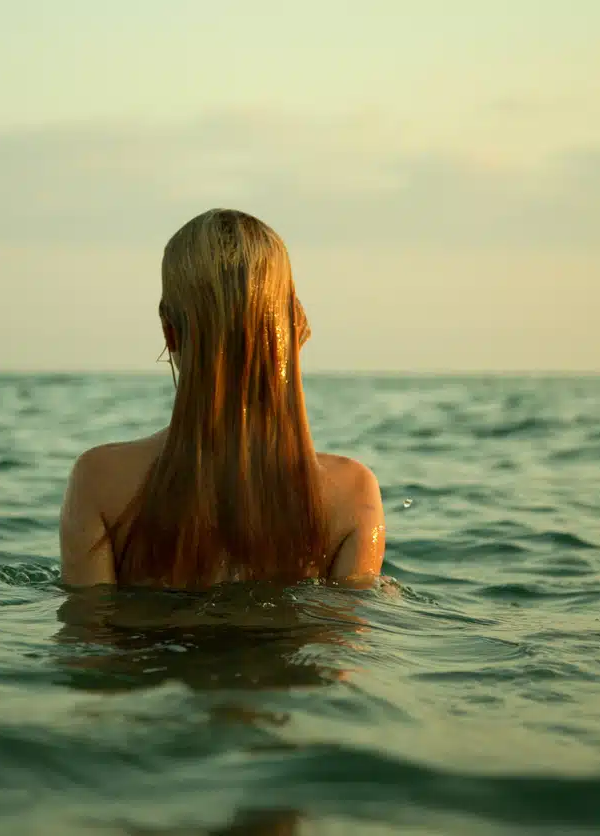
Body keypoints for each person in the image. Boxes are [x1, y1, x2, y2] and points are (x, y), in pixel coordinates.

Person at [59, 209, 385, 588]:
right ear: (293, 327)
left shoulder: (100, 481)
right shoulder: (350, 494)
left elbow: (88, 637)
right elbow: (342, 639)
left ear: (170, 333)